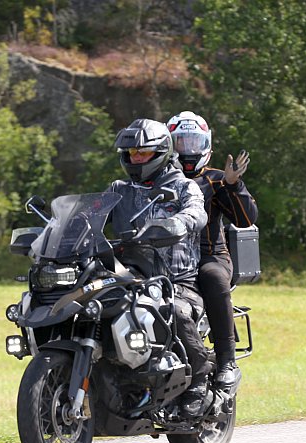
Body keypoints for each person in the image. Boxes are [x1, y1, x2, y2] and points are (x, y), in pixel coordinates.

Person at [106, 118, 210, 417]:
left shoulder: (183, 186)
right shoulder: (119, 189)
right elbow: (92, 217)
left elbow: (196, 212)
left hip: (175, 280)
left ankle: (199, 381)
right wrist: (64, 229)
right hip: (128, 276)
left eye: (143, 153)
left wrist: (179, 221)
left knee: (174, 310)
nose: (136, 158)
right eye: (132, 153)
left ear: (162, 151)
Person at [166, 111, 258, 391]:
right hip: (164, 258)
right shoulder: (155, 179)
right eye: (181, 143)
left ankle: (227, 361)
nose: (188, 150)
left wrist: (233, 185)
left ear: (206, 145)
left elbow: (245, 219)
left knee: (213, 277)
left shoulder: (218, 179)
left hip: (209, 254)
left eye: (194, 143)